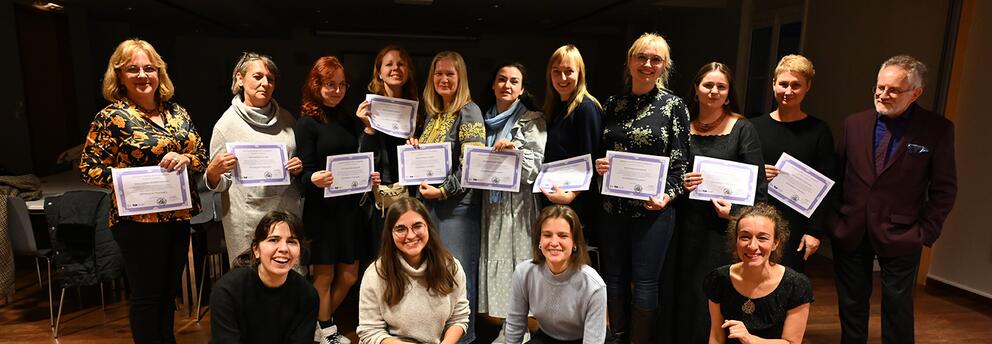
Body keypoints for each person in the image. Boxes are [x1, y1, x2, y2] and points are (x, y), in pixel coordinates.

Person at [79, 38, 208, 343]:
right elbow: (89, 168)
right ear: (119, 75)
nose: (142, 75)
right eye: (132, 69)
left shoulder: (178, 113)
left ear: (159, 73)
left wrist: (185, 157)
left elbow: (201, 156)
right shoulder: (111, 117)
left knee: (168, 294)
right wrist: (135, 177)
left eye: (149, 68)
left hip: (177, 216)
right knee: (147, 296)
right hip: (137, 223)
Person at [832, 55, 957, 343]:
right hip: (851, 227)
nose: (882, 95)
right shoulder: (855, 124)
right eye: (879, 87)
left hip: (903, 232)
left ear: (916, 93)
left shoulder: (937, 129)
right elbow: (837, 175)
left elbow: (945, 188)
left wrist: (926, 232)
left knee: (897, 308)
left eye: (892, 90)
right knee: (851, 306)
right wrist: (834, 220)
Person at [592, 33, 690, 343]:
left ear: (664, 66)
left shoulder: (674, 106)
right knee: (614, 280)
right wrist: (599, 166)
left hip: (654, 212)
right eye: (642, 57)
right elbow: (600, 152)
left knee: (646, 284)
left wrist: (668, 196)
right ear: (630, 61)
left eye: (656, 59)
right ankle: (618, 337)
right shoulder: (613, 103)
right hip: (612, 209)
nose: (647, 64)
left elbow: (681, 161)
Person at [675, 62, 768, 343]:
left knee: (712, 294)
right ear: (696, 89)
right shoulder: (681, 126)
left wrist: (735, 214)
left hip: (721, 229)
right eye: (708, 85)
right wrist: (682, 182)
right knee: (682, 292)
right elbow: (668, 171)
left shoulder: (742, 129)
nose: (714, 91)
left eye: (721, 87)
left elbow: (758, 188)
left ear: (728, 94)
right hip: (681, 224)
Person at [296, 56, 380, 344]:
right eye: (330, 84)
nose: (337, 90)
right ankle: (327, 330)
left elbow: (362, 156)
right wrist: (314, 179)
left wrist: (369, 175)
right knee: (324, 275)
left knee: (349, 275)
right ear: (316, 85)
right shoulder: (307, 123)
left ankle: (315, 326)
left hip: (348, 210)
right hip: (322, 211)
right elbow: (303, 175)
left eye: (342, 85)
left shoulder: (347, 118)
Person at [407, 51, 486, 343]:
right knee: (435, 274)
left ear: (460, 77)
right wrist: (415, 147)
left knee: (458, 275)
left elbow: (473, 164)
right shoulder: (432, 115)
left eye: (450, 73)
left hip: (457, 208)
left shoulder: (470, 111)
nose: (443, 79)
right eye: (438, 73)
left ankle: (464, 339)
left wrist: (444, 190)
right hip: (428, 207)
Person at [205, 52, 303, 264]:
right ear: (240, 79)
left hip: (286, 212)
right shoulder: (226, 125)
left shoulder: (287, 119)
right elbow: (219, 184)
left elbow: (298, 168)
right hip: (248, 217)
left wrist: (298, 168)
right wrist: (213, 172)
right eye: (258, 76)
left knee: (288, 278)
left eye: (270, 79)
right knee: (251, 282)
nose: (265, 83)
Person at [750, 55, 836, 271]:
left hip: (797, 224)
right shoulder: (753, 127)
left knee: (788, 283)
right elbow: (740, 171)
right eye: (783, 84)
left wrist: (815, 231)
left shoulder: (819, 131)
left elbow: (827, 186)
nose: (788, 91)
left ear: (808, 87)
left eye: (796, 85)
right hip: (757, 218)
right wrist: (757, 173)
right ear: (773, 84)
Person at [478, 62, 547, 322]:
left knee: (519, 264)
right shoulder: (480, 120)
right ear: (494, 85)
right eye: (502, 79)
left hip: (518, 204)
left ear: (521, 89)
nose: (507, 85)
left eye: (513, 81)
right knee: (495, 263)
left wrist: (513, 155)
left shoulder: (532, 119)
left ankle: (519, 328)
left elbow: (535, 169)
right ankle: (504, 327)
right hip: (489, 204)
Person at [357, 197, 470, 344]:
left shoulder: (451, 267)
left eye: (417, 226)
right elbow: (369, 331)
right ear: (390, 233)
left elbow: (459, 318)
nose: (410, 235)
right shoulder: (375, 274)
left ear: (428, 227)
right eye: (400, 229)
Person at [704, 203, 813, 344]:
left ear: (775, 243)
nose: (753, 246)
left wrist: (749, 339)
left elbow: (792, 342)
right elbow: (716, 337)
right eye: (745, 237)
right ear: (735, 240)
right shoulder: (718, 279)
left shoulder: (796, 285)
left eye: (762, 238)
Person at [210, 211, 318, 344]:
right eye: (273, 240)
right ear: (256, 250)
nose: (284, 248)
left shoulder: (307, 294)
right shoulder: (227, 291)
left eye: (291, 241)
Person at [504, 205, 607, 344]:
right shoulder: (523, 273)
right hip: (546, 337)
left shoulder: (594, 286)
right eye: (547, 235)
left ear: (574, 242)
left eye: (563, 236)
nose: (554, 243)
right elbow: (514, 325)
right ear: (539, 240)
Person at [356, 45, 421, 253]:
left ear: (408, 71)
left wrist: (417, 146)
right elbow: (362, 159)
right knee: (382, 255)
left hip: (410, 193)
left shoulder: (418, 109)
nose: (396, 68)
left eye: (401, 64)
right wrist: (368, 128)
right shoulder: (368, 108)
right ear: (380, 73)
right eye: (389, 64)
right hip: (381, 198)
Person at [539, 45, 604, 244]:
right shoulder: (554, 106)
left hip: (577, 204)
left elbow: (591, 161)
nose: (563, 78)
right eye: (556, 72)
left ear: (580, 73)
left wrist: (570, 196)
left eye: (569, 72)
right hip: (556, 198)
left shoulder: (586, 108)